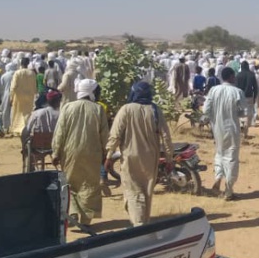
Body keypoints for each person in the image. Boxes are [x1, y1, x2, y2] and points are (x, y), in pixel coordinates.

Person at [106, 82, 173, 225]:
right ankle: (143, 221)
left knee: (133, 190)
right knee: (147, 191)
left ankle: (139, 225)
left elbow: (115, 135)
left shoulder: (126, 109)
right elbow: (166, 136)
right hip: (151, 157)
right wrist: (169, 158)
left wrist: (108, 156)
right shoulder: (155, 109)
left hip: (131, 157)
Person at [51, 79, 110, 230]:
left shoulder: (67, 107)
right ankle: (85, 220)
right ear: (91, 92)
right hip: (92, 153)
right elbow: (104, 135)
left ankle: (73, 214)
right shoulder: (98, 109)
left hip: (69, 153)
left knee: (70, 184)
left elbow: (59, 133)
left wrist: (55, 152)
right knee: (89, 185)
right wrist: (106, 152)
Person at [203, 67, 245, 200]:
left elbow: (206, 109)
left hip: (217, 128)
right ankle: (228, 190)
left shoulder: (213, 90)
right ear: (232, 77)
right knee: (231, 157)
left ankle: (218, 177)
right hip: (232, 128)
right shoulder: (237, 92)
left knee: (220, 153)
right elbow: (241, 111)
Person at [22, 90, 62, 171]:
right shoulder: (61, 114)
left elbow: (29, 128)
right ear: (58, 102)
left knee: (25, 131)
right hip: (55, 145)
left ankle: (30, 165)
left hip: (37, 145)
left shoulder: (37, 113)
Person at [9, 57, 38, 137]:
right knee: (28, 112)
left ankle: (18, 129)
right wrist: (34, 93)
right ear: (28, 64)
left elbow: (13, 86)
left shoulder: (17, 73)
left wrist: (11, 96)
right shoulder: (32, 73)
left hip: (18, 95)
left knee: (18, 112)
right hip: (29, 95)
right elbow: (35, 85)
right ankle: (26, 128)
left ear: (21, 63)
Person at [235, 61, 259, 137]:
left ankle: (241, 125)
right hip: (249, 96)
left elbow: (235, 87)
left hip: (239, 96)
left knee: (239, 112)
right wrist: (255, 97)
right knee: (249, 114)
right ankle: (245, 130)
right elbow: (255, 87)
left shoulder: (238, 75)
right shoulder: (252, 75)